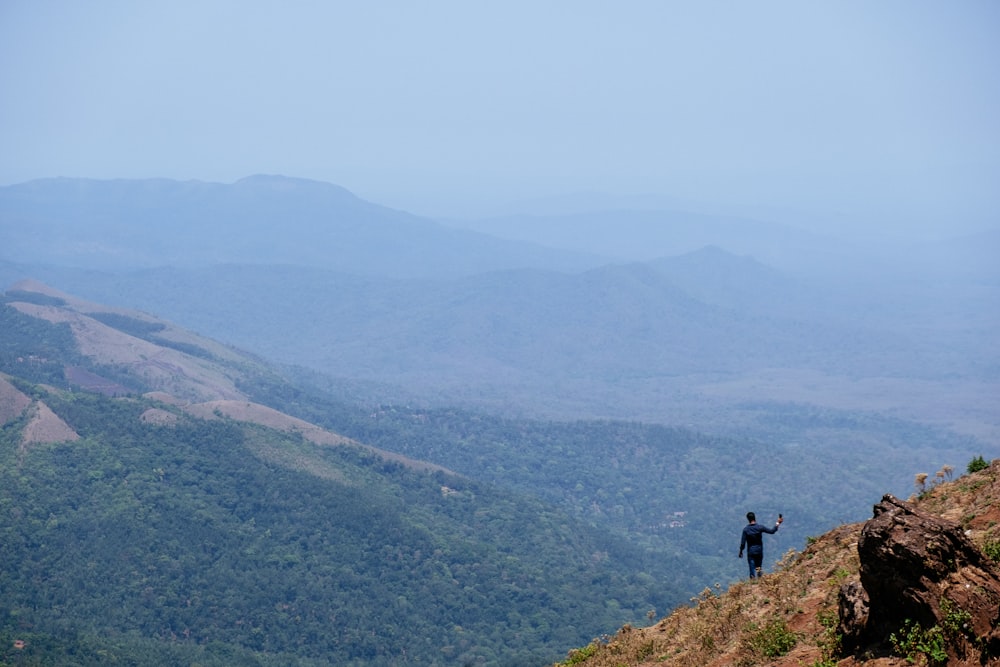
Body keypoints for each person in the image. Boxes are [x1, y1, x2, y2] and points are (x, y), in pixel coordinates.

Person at [738, 511, 782, 578]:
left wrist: (741, 551)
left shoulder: (746, 530)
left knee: (752, 570)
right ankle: (760, 582)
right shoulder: (760, 527)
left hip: (751, 552)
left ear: (748, 519)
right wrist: (778, 523)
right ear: (755, 518)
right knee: (759, 569)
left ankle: (753, 583)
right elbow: (772, 531)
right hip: (759, 551)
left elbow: (743, 543)